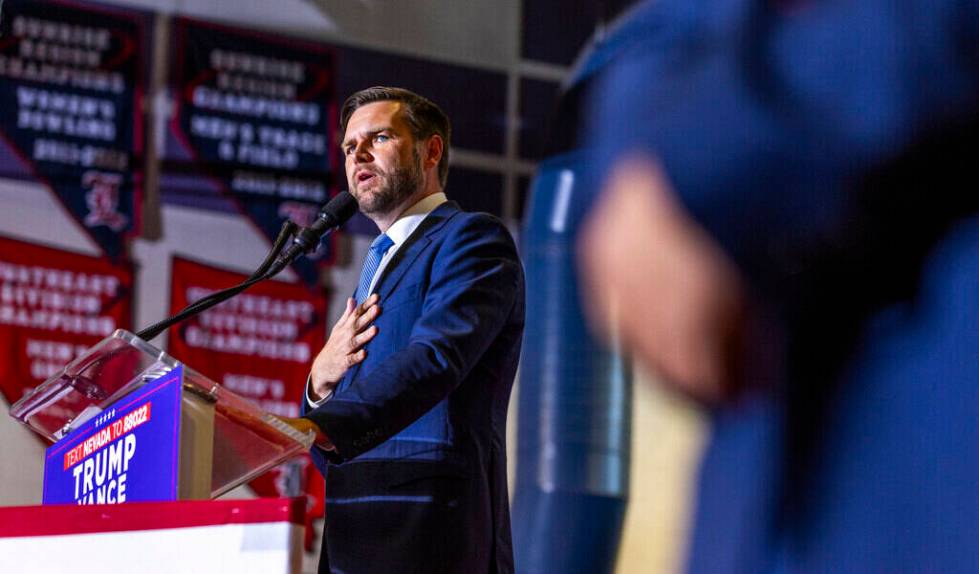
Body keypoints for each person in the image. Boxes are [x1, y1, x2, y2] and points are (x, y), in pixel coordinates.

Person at [578, 0, 979, 572]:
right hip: (764, 471)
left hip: (928, 431)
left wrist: (698, 159)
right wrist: (633, 164)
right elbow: (669, 24)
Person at [282, 86, 524, 574]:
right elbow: (340, 440)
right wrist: (319, 386)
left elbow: (436, 357)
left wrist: (323, 422)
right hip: (353, 531)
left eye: (380, 137)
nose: (359, 155)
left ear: (430, 151)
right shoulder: (379, 265)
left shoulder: (471, 239)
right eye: (350, 147)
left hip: (428, 531)